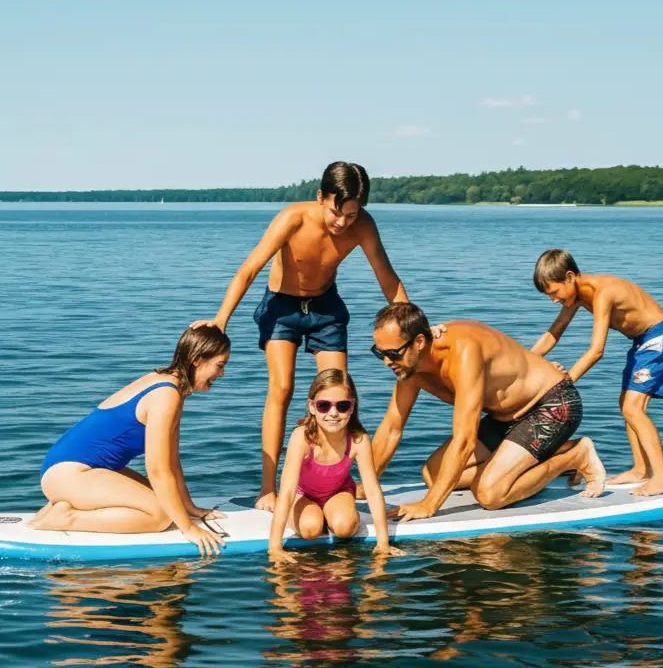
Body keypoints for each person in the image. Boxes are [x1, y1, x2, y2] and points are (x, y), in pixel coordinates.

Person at [193, 162, 408, 511]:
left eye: (352, 216)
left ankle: (338, 483)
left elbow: (387, 278)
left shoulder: (363, 226)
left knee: (340, 392)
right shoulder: (292, 219)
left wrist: (415, 328)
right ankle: (268, 488)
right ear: (320, 196)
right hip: (282, 307)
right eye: (337, 212)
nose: (343, 223)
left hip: (325, 308)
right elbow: (248, 270)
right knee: (282, 388)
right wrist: (221, 320)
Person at [369, 303, 606, 521]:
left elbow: (464, 440)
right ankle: (518, 468)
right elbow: (392, 427)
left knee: (489, 494)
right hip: (505, 418)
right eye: (379, 353)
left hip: (551, 405)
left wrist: (430, 505)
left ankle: (576, 455)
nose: (386, 362)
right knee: (433, 474)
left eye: (392, 354)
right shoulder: (409, 367)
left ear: (419, 342)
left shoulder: (463, 351)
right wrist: (367, 483)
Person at [30, 326, 231, 556]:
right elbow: (157, 470)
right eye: (220, 365)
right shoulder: (166, 394)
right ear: (197, 360)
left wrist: (189, 508)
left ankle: (66, 505)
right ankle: (66, 517)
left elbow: (172, 462)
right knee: (161, 516)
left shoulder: (170, 385)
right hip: (69, 473)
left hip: (79, 469)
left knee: (168, 502)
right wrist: (189, 528)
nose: (221, 375)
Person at [530, 248, 663, 496]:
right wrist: (528, 360)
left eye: (554, 292)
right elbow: (555, 331)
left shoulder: (602, 293)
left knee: (633, 408)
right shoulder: (575, 296)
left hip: (657, 337)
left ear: (569, 277)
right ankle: (641, 470)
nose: (552, 300)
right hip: (641, 342)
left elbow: (597, 350)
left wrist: (564, 382)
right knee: (627, 406)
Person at [268, 369, 400, 561]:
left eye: (342, 406)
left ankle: (334, 515)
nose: (333, 413)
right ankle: (318, 516)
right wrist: (275, 547)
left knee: (344, 528)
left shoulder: (358, 440)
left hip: (338, 493)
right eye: (324, 405)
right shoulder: (302, 437)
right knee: (310, 529)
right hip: (303, 494)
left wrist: (383, 543)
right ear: (312, 407)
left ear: (352, 406)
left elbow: (372, 490)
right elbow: (287, 491)